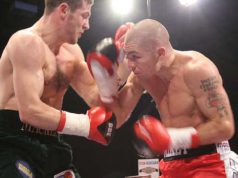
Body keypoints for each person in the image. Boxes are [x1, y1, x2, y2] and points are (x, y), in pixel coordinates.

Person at [89, 19, 238, 178]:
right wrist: (106, 83)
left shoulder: (197, 70)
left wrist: (172, 139)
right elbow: (116, 119)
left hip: (210, 161)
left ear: (160, 53)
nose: (130, 64)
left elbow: (225, 126)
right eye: (127, 56)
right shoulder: (142, 76)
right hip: (170, 164)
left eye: (135, 57)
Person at [0, 0, 121, 177]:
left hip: (52, 142)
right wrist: (85, 125)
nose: (87, 25)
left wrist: (124, 64)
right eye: (84, 16)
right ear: (64, 10)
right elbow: (29, 111)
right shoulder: (25, 42)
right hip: (13, 141)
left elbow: (100, 99)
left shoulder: (72, 52)